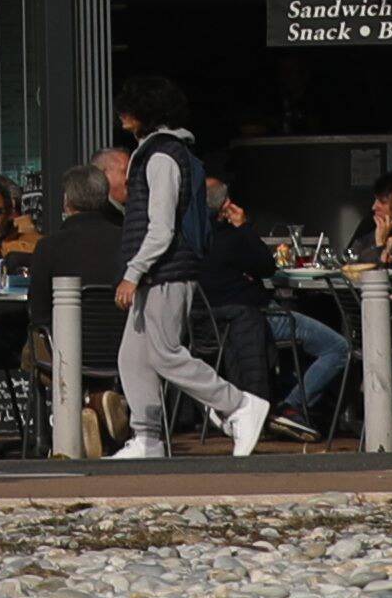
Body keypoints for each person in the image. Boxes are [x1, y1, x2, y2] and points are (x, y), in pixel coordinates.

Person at [101, 101, 272, 463]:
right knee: (132, 357)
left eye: (128, 107)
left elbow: (161, 227)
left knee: (164, 353)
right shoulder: (159, 153)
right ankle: (147, 438)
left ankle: (239, 404)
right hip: (161, 271)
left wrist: (133, 272)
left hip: (165, 271)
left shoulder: (161, 156)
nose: (121, 116)